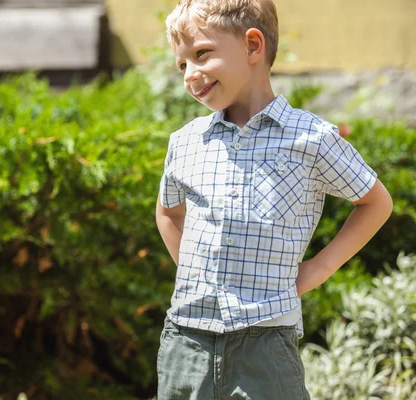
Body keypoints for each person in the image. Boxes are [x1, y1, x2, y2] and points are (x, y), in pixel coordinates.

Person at [154, 0, 394, 398]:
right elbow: (167, 212)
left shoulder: (311, 139)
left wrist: (318, 269)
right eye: (182, 65)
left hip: (265, 343)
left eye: (201, 55)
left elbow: (375, 202)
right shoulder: (186, 141)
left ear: (252, 46)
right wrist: (198, 277)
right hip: (186, 341)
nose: (190, 75)